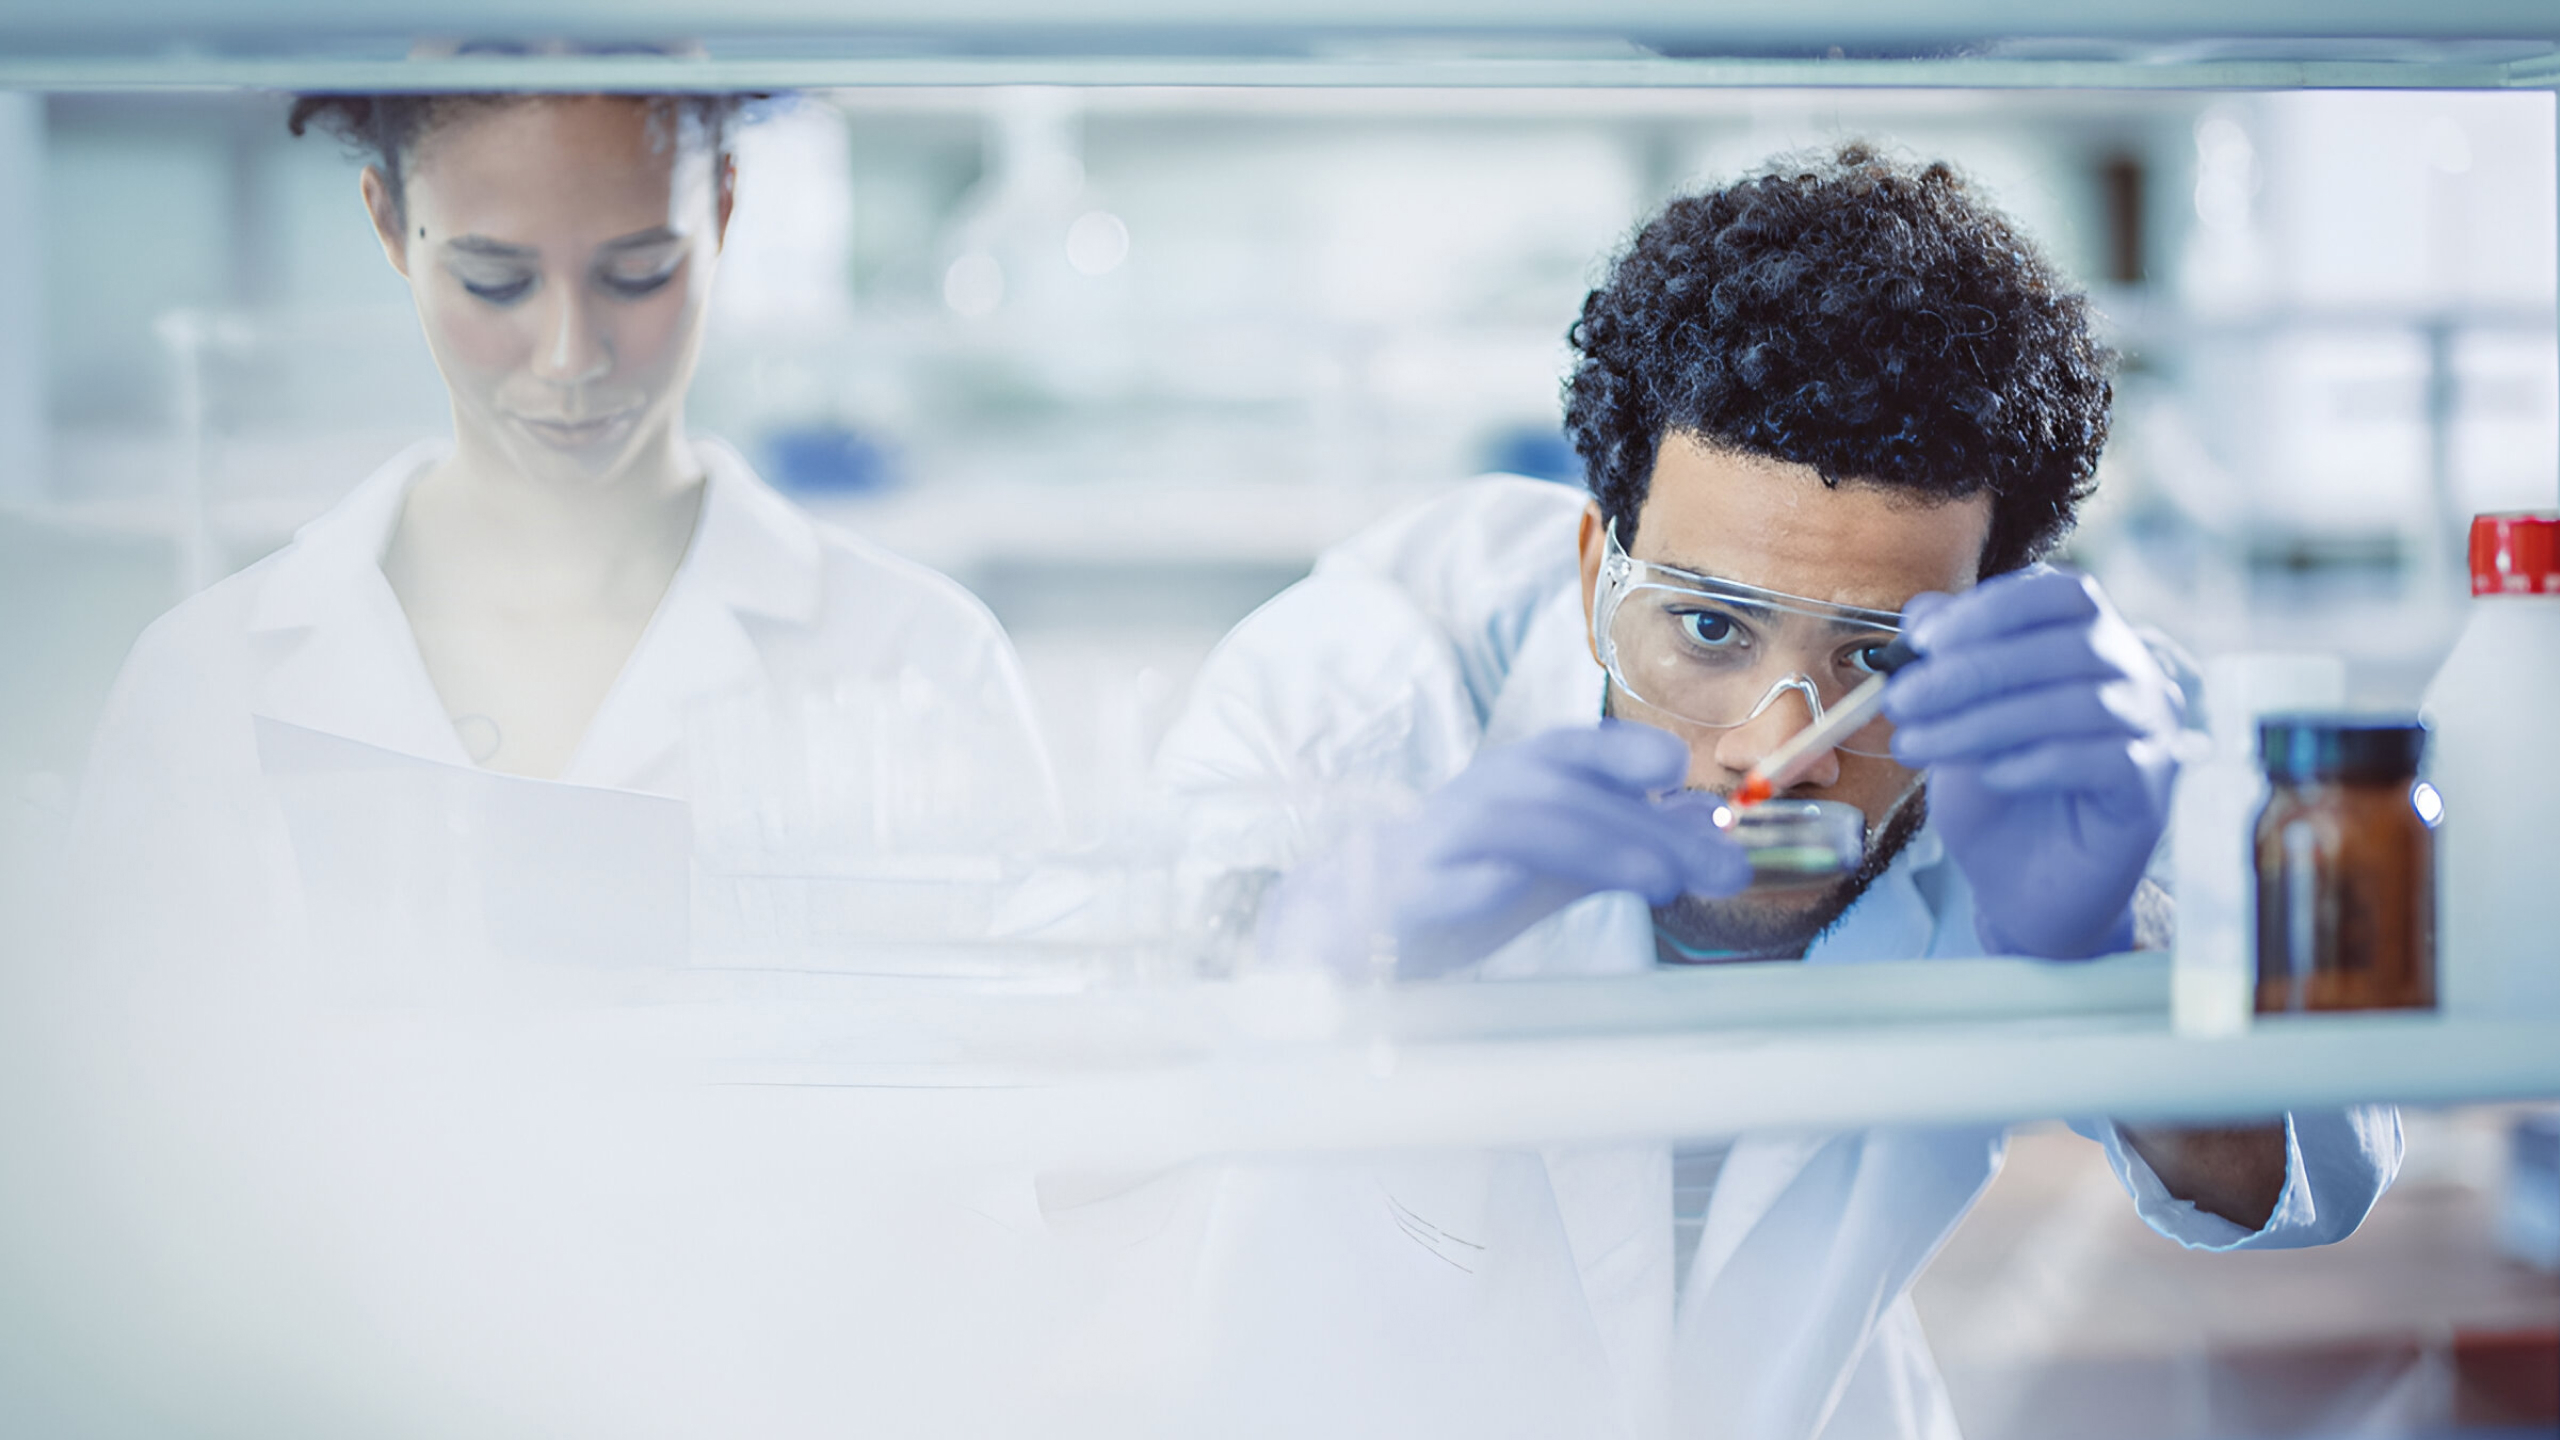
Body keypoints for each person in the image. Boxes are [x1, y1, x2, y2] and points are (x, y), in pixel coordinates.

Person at [1151, 146, 2398, 1439]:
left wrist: (2109, 957)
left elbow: (2318, 1172)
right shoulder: (1370, 682)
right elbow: (1067, 1100)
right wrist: (1323, 951)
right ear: (1596, 571)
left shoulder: (2058, 732)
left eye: (1877, 660)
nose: (1779, 755)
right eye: (1705, 632)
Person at [73, 92, 1053, 968]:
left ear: (720, 207)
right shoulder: (202, 681)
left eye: (638, 273)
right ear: (388, 222)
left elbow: (1021, 1106)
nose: (571, 355)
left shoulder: (915, 654)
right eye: (495, 283)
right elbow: (119, 1114)